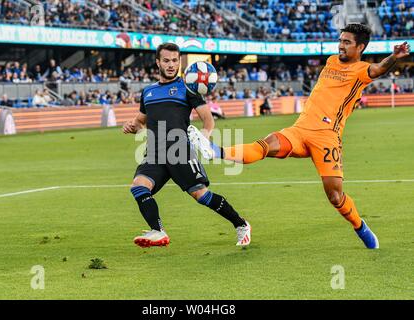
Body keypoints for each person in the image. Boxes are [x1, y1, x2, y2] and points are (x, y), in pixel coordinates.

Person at [190, 24, 411, 250]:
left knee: (335, 196)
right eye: (341, 40)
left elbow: (379, 69)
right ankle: (215, 150)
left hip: (327, 137)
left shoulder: (361, 71)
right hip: (300, 129)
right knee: (268, 144)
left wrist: (394, 56)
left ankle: (360, 226)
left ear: (360, 47)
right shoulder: (332, 61)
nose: (341, 45)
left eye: (347, 42)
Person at [123, 43, 251, 248]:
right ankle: (158, 231)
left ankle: (241, 224)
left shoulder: (189, 88)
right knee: (139, 187)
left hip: (179, 151)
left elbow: (208, 121)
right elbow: (141, 122)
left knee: (201, 195)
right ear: (158, 62)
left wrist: (204, 138)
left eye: (175, 60)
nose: (171, 65)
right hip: (154, 152)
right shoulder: (148, 92)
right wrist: (132, 126)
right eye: (166, 60)